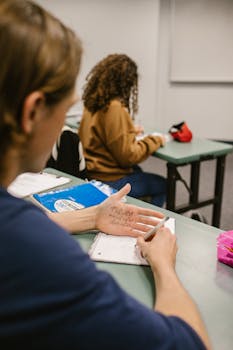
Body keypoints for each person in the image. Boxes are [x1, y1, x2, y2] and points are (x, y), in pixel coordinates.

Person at [0, 1, 211, 349]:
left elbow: (28, 222)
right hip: (114, 175)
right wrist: (163, 265)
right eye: (63, 108)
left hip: (99, 183)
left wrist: (93, 216)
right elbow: (189, 344)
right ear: (33, 111)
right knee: (155, 183)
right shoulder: (37, 254)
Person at [79, 53, 167, 207]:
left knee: (138, 171)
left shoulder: (93, 103)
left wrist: (129, 131)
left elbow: (102, 133)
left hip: (92, 172)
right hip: (109, 179)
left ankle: (132, 209)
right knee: (164, 185)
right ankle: (150, 224)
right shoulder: (115, 108)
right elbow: (128, 156)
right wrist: (156, 140)